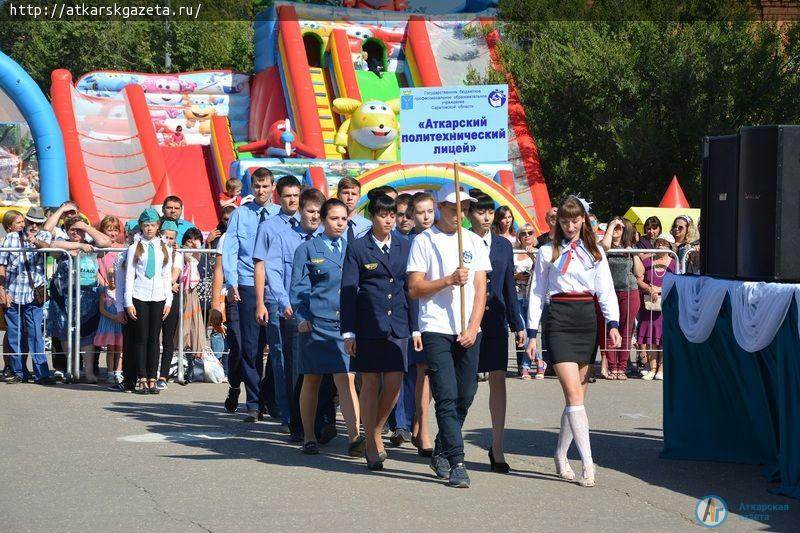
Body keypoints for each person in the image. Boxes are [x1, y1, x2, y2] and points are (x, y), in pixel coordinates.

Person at [525, 195, 622, 488]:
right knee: (574, 396)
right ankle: (588, 464)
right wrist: (532, 332)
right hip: (559, 319)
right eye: (564, 220)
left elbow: (605, 291)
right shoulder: (545, 252)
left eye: (574, 219)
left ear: (583, 220)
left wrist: (614, 324)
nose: (569, 225)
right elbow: (536, 291)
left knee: (576, 399)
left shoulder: (596, 252)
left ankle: (560, 454)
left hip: (586, 320)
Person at [407, 183, 491, 488]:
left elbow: (481, 289)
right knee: (445, 394)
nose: (461, 214)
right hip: (436, 327)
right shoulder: (423, 241)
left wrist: (472, 327)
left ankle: (442, 447)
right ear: (441, 208)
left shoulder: (474, 241)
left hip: (468, 329)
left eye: (466, 208)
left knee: (465, 395)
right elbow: (415, 288)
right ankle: (457, 461)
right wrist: (447, 280)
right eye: (455, 208)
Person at [341, 191, 421, 470]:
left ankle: (375, 429)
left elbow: (411, 290)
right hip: (369, 324)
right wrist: (348, 332)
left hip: (398, 324)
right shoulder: (359, 247)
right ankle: (372, 443)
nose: (388, 220)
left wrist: (416, 328)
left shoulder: (404, 245)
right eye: (383, 215)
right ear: (372, 216)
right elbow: (348, 291)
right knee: (371, 382)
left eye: (392, 215)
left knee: (395, 383)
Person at [290, 198, 363, 456]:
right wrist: (301, 318)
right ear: (322, 220)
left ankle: (355, 437)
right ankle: (309, 437)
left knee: (347, 378)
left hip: (344, 326)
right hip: (315, 324)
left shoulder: (354, 249)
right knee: (312, 379)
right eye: (334, 218)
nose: (340, 223)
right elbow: (298, 289)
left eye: (343, 219)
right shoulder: (308, 249)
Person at [262, 188, 334, 443]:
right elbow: (274, 272)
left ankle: (324, 421)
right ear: (300, 210)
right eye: (310, 211)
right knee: (297, 370)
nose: (314, 217)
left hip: (325, 313)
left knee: (326, 368)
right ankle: (298, 424)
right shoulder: (284, 238)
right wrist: (284, 302)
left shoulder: (331, 241)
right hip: (295, 312)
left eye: (318, 212)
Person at [467, 193, 524, 473]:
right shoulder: (460, 241)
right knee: (463, 385)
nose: (487, 217)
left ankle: (497, 446)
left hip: (497, 321)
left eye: (490, 212)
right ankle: (449, 439)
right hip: (467, 321)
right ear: (468, 214)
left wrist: (518, 323)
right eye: (480, 212)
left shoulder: (502, 245)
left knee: (498, 380)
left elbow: (508, 287)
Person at [222, 168, 280, 422]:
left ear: (273, 186)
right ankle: (253, 403)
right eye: (257, 186)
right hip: (246, 284)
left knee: (276, 346)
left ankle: (270, 395)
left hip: (274, 287)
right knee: (250, 347)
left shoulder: (281, 214)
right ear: (251, 188)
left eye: (266, 186)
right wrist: (231, 281)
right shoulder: (240, 215)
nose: (261, 191)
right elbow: (231, 248)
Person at [253, 175, 303, 431]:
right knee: (280, 358)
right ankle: (287, 414)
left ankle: (304, 412)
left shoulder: (308, 225)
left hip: (302, 302)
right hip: (275, 300)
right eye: (287, 196)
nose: (292, 200)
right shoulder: (269, 227)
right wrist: (260, 302)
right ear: (278, 197)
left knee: (302, 359)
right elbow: (260, 265)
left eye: (296, 195)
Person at [43, 215, 110, 383]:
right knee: (65, 333)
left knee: (87, 334)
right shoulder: (63, 244)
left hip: (87, 297)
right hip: (63, 297)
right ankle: (72, 369)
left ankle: (88, 372)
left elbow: (106, 242)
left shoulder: (92, 245)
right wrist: (79, 245)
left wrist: (87, 228)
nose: (75, 232)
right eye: (72, 229)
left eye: (78, 229)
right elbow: (53, 245)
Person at [0, 207, 56, 384]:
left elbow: (49, 249)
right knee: (14, 334)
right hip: (12, 293)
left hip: (34, 295)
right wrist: (1, 292)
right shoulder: (10, 238)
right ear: (25, 221)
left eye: (37, 223)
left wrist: (35, 241)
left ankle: (41, 373)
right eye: (30, 222)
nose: (33, 226)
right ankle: (18, 372)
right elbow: (1, 265)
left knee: (35, 335)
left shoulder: (45, 236)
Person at [401, 191, 437, 455]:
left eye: (429, 211)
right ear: (411, 216)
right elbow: (410, 290)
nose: (426, 217)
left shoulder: (443, 238)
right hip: (418, 319)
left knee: (435, 377)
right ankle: (423, 428)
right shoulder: (408, 243)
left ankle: (417, 421)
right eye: (420, 212)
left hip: (443, 317)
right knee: (422, 375)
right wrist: (414, 327)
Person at [124, 208, 173, 394]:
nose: (149, 229)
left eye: (152, 225)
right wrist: (128, 301)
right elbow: (129, 275)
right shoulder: (134, 247)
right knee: (141, 338)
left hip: (159, 296)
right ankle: (142, 377)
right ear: (141, 227)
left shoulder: (164, 247)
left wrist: (168, 300)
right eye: (146, 225)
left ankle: (153, 376)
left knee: (154, 339)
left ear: (158, 226)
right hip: (140, 295)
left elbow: (166, 276)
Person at [600, 218, 644, 380]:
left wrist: (633, 252)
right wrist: (610, 226)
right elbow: (603, 247)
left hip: (629, 291)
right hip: (608, 293)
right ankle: (612, 366)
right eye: (615, 227)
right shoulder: (604, 246)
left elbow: (639, 273)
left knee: (626, 330)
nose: (618, 229)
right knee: (609, 330)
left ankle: (621, 367)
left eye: (620, 227)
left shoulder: (630, 249)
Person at [636, 233, 676, 381]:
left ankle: (662, 368)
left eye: (664, 243)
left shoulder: (674, 263)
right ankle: (652, 368)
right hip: (650, 305)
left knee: (664, 337)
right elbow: (639, 280)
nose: (660, 246)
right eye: (658, 243)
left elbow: (678, 282)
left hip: (667, 305)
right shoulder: (647, 262)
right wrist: (649, 288)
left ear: (670, 246)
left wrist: (659, 289)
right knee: (651, 337)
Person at [513, 224, 543, 379]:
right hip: (517, 296)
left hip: (533, 297)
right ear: (519, 237)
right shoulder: (514, 253)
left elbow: (543, 271)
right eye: (523, 233)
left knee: (531, 332)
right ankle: (538, 361)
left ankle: (525, 366)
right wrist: (516, 277)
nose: (527, 235)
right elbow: (507, 274)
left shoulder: (539, 252)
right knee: (523, 332)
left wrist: (532, 256)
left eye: (530, 232)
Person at [156, 219, 183, 390]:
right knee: (151, 337)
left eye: (172, 238)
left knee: (168, 338)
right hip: (155, 296)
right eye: (166, 237)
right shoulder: (155, 252)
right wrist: (168, 284)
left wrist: (169, 283)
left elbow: (175, 275)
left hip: (170, 298)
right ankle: (149, 373)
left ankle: (163, 375)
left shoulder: (177, 256)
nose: (168, 241)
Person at [95, 265, 124, 384]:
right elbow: (102, 309)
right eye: (110, 276)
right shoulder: (104, 291)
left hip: (119, 324)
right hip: (109, 324)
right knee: (111, 349)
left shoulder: (121, 291)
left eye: (114, 277)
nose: (112, 279)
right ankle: (110, 373)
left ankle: (119, 372)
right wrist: (113, 317)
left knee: (120, 349)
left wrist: (119, 317)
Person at [336, 177, 371, 242]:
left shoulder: (368, 226)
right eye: (346, 193)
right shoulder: (329, 225)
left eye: (354, 194)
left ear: (359, 197)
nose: (350, 198)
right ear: (338, 196)